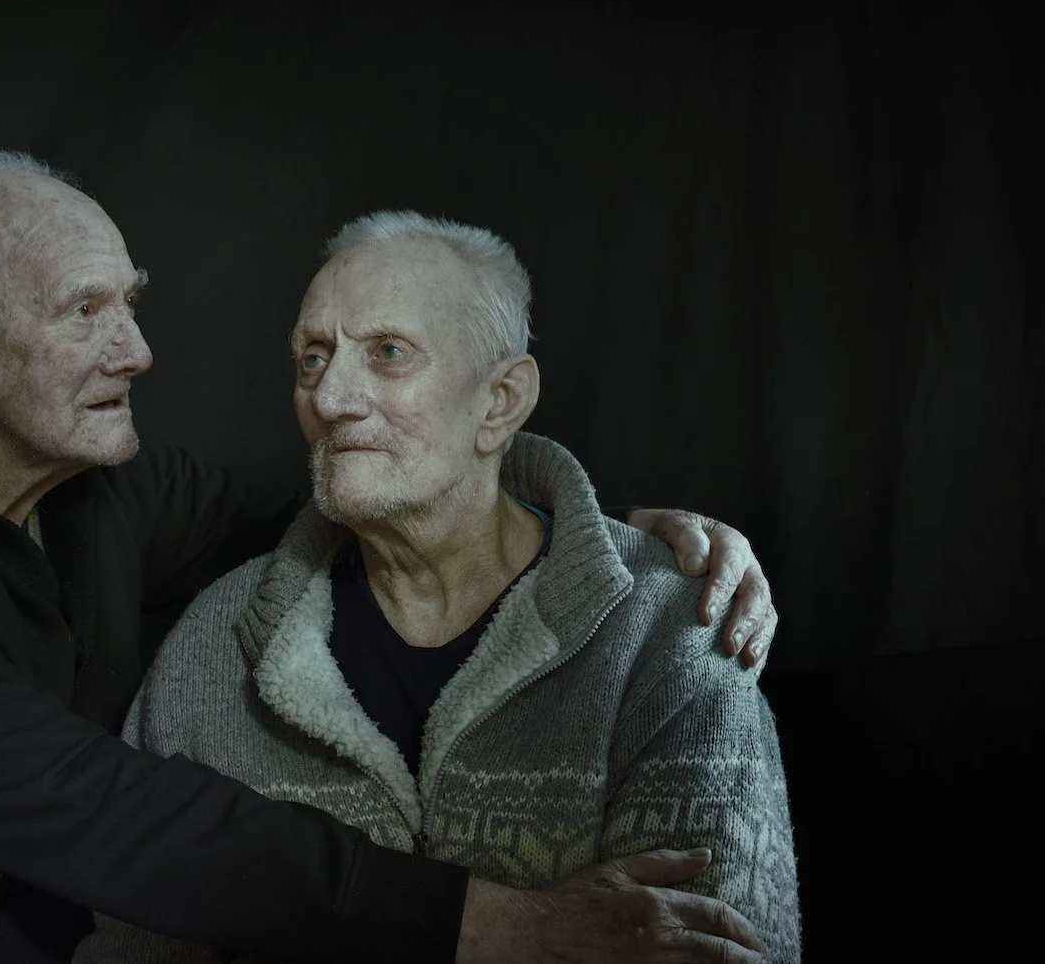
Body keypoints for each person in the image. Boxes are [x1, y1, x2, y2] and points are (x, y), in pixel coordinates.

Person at [0, 149, 782, 964]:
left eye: (133, 300)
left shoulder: (94, 489)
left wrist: (608, 525)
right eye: (87, 311)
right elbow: (108, 811)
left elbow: (363, 488)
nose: (140, 348)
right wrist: (500, 921)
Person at [76, 210, 800, 962]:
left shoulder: (668, 630)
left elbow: (725, 948)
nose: (329, 400)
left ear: (500, 402)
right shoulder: (213, 648)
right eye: (313, 359)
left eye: (388, 353)